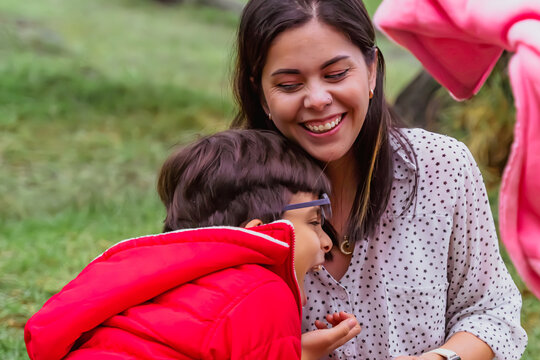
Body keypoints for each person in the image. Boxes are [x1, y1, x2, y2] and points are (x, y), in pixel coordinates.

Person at [231, 1, 528, 359]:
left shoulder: (442, 167)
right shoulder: (225, 188)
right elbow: (191, 335)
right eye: (290, 84)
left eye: (337, 74)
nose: (318, 99)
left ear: (371, 70)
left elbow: (491, 312)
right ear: (260, 92)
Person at [24, 130, 361, 360]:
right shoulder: (262, 288)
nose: (326, 240)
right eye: (314, 222)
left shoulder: (163, 274)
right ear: (261, 231)